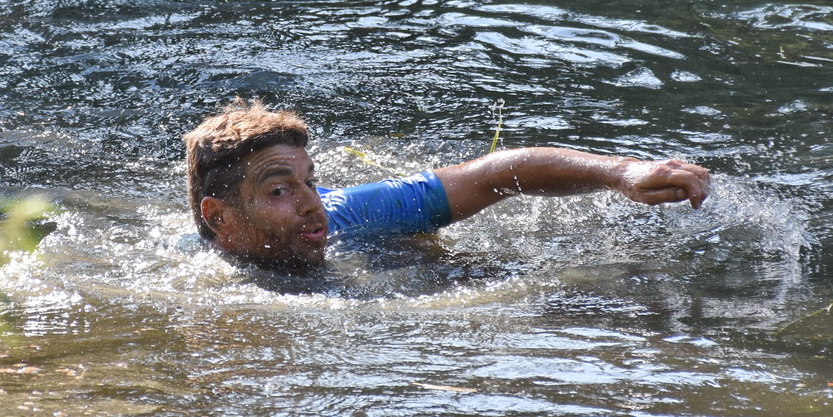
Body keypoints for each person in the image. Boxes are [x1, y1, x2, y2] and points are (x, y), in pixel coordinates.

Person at [185, 99, 710, 269]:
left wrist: (619, 172)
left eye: (310, 181)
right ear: (218, 217)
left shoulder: (350, 213)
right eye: (280, 191)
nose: (310, 205)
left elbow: (499, 173)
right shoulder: (184, 279)